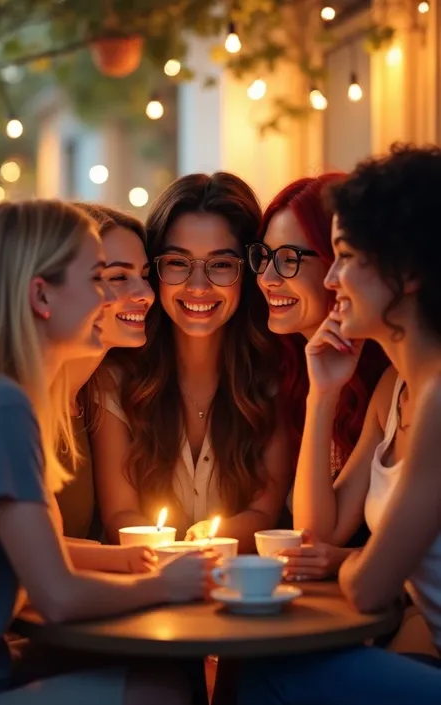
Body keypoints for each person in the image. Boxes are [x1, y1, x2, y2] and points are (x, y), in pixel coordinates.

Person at [0, 199, 211, 705]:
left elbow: (36, 549)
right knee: (160, 692)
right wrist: (168, 584)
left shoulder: (1, 393)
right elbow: (56, 595)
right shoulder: (3, 405)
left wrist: (127, 560)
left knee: (161, 667)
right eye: (97, 277)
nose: (111, 295)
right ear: (41, 296)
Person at [238, 144, 441, 705]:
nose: (333, 278)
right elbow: (317, 536)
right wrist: (323, 394)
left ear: (408, 273)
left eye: (346, 256)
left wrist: (359, 567)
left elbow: (371, 586)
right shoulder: (395, 389)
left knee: (265, 672)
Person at [91, 172, 292, 550]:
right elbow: (119, 516)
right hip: (145, 586)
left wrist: (208, 545)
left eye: (220, 265)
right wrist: (175, 558)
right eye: (178, 263)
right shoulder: (114, 376)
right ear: (155, 270)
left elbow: (264, 514)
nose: (197, 287)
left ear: (247, 273)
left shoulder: (274, 374)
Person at [247, 175, 388, 577]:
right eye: (265, 257)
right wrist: (322, 395)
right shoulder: (286, 371)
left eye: (289, 259)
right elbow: (313, 535)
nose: (268, 279)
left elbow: (317, 541)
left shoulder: (395, 380)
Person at [54, 204, 157, 573]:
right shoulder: (16, 399)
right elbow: (19, 548)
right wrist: (142, 560)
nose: (145, 293)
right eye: (117, 277)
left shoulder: (95, 394)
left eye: (145, 276)